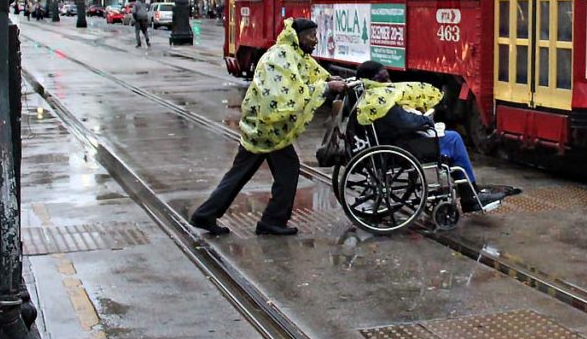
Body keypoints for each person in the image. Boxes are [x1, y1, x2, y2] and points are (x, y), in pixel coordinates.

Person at [190, 18, 344, 236]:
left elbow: (310, 71)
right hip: (268, 129)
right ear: (297, 37)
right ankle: (272, 220)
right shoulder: (281, 57)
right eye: (310, 35)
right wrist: (326, 88)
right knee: (286, 170)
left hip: (266, 128)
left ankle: (207, 214)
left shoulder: (293, 54)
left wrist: (329, 79)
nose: (315, 40)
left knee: (243, 172)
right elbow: (289, 94)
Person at [353, 61, 510, 212]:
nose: (388, 79)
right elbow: (406, 122)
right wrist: (425, 119)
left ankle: (468, 192)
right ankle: (469, 196)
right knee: (454, 139)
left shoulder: (368, 97)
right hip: (402, 147)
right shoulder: (381, 99)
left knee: (448, 138)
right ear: (375, 79)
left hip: (392, 144)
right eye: (383, 76)